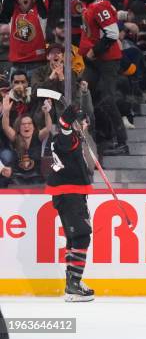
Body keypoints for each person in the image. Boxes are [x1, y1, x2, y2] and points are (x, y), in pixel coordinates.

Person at [45, 104, 95, 302]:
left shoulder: (75, 139)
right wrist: (66, 118)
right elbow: (64, 129)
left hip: (71, 195)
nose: (86, 124)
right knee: (82, 237)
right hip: (69, 195)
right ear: (76, 123)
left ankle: (73, 281)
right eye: (83, 121)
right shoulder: (67, 138)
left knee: (75, 238)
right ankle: (73, 285)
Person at [78, 0, 129, 156]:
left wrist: (95, 51)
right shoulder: (91, 4)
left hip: (106, 61)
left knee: (107, 98)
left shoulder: (99, 5)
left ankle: (122, 142)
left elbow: (113, 33)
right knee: (83, 93)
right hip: (93, 62)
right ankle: (85, 138)